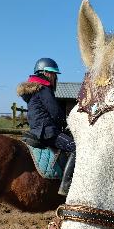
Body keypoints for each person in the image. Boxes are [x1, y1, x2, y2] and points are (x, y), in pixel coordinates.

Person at [17, 57, 75, 195]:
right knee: (76, 147)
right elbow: (56, 113)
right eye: (54, 74)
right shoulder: (44, 89)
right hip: (48, 132)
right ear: (46, 73)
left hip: (37, 129)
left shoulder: (34, 90)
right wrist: (67, 123)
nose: (55, 77)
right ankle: (66, 186)